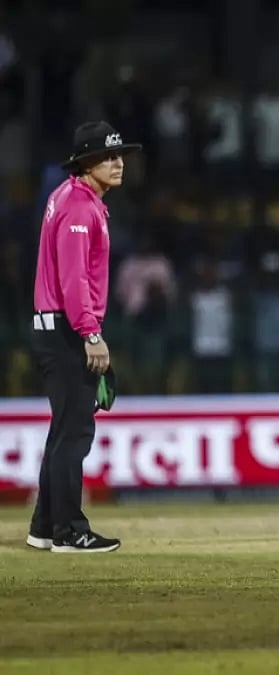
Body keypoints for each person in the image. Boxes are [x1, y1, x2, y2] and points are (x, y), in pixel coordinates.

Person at [26, 121, 141, 553]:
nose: (118, 163)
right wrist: (91, 333)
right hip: (67, 329)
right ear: (85, 162)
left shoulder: (68, 198)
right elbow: (74, 280)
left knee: (63, 431)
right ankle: (70, 530)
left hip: (54, 325)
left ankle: (44, 526)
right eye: (108, 156)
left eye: (120, 155)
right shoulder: (79, 207)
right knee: (74, 433)